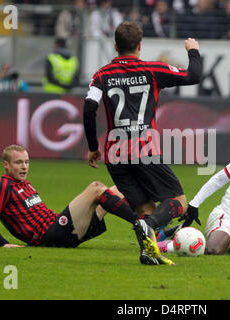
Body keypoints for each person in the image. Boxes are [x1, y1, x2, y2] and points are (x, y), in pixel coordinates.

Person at [82, 22, 202, 263]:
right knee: (177, 202)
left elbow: (88, 109)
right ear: (140, 46)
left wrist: (93, 146)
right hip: (144, 148)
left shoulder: (102, 75)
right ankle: (148, 227)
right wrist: (193, 51)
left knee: (145, 207)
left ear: (116, 46)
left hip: (114, 153)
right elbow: (193, 75)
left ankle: (148, 252)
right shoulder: (152, 70)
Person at [0, 145, 172, 265]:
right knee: (96, 188)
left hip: (60, 229)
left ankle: (157, 228)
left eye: (27, 162)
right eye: (18, 162)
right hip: (49, 236)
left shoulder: (25, 184)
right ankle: (142, 224)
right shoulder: (2, 186)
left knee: (122, 188)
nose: (24, 166)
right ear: (6, 164)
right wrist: (4, 244)